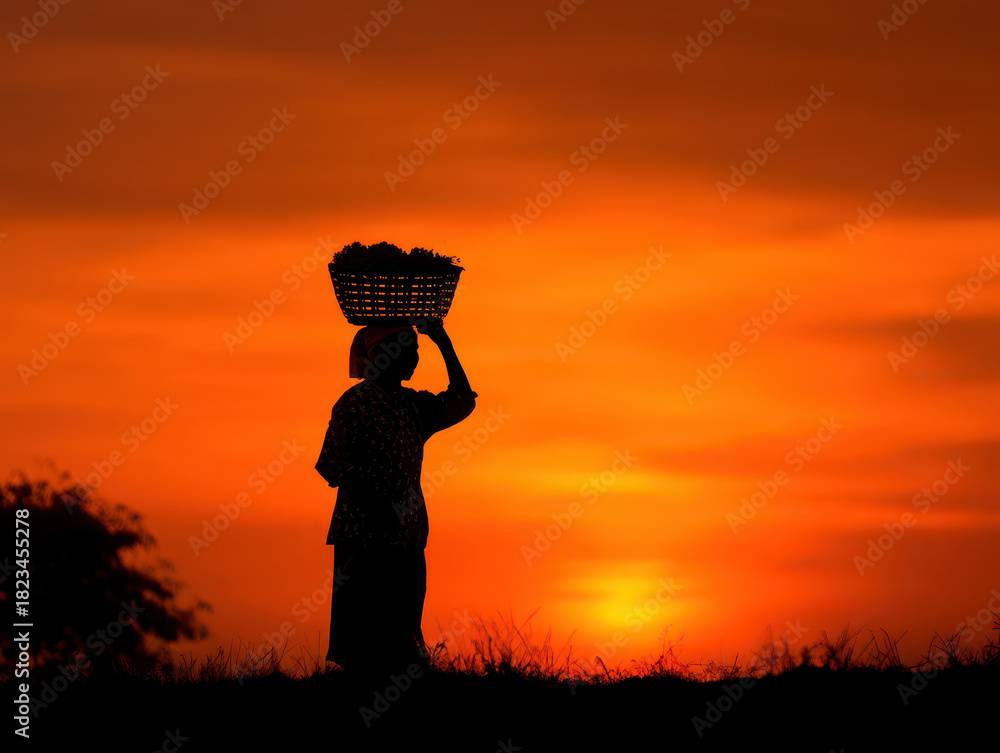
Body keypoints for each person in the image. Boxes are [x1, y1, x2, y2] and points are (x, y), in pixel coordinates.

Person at [314, 318, 476, 678]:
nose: (415, 358)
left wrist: (442, 340)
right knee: (366, 627)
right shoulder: (354, 403)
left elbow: (463, 401)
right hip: (363, 534)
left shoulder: (412, 405)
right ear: (381, 354)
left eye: (416, 350)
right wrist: (379, 507)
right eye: (408, 349)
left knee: (404, 623)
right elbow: (333, 464)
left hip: (406, 532)